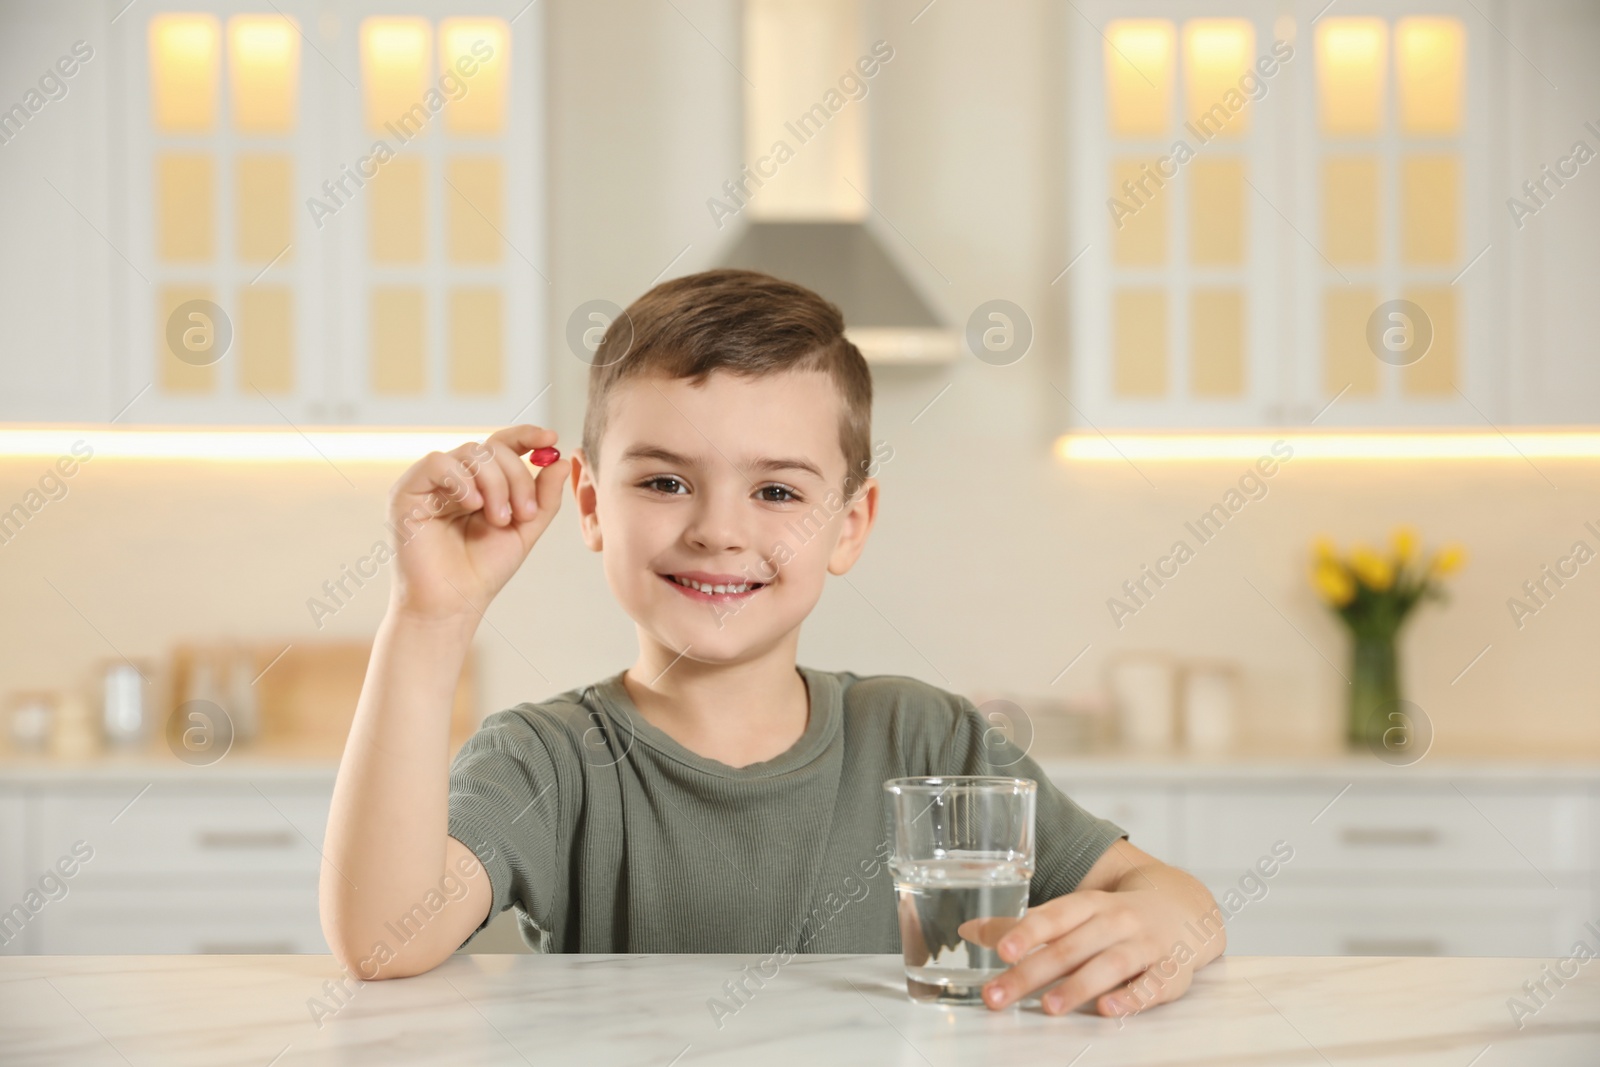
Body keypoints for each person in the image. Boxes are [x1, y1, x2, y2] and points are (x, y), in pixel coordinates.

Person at [319, 269, 1224, 1017]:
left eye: (779, 493)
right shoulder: (546, 762)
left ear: (849, 523)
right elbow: (381, 937)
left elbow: (1175, 897)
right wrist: (432, 616)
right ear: (591, 505)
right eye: (667, 480)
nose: (718, 529)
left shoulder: (924, 737)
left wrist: (1159, 925)